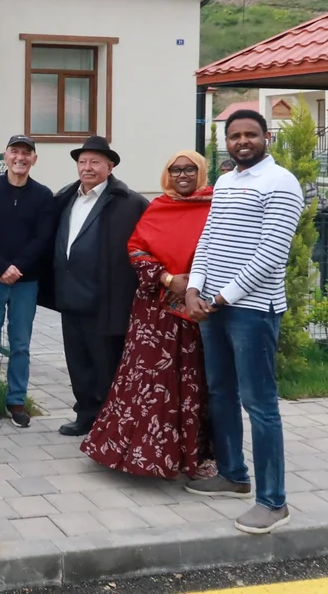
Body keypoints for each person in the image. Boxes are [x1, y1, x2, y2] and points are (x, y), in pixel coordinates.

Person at [185, 109, 303, 535]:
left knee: (260, 404)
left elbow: (272, 254)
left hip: (252, 311)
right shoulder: (226, 182)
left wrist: (222, 297)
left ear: (267, 137)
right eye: (234, 135)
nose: (242, 141)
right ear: (226, 141)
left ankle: (273, 502)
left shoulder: (281, 182)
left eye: (250, 134)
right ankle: (233, 474)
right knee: (221, 392)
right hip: (212, 306)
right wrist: (194, 288)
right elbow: (209, 239)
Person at [81, 150, 214, 479]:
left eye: (189, 169)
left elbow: (224, 250)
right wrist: (168, 279)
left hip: (197, 311)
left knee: (192, 383)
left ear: (201, 172)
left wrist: (193, 284)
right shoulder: (159, 207)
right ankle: (133, 453)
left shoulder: (216, 207)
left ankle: (193, 456)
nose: (182, 175)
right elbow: (136, 247)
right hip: (154, 314)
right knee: (147, 381)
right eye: (175, 170)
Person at [40, 136, 149, 437]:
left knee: (105, 363)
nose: (87, 167)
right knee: (78, 361)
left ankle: (110, 422)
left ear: (110, 166)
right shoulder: (66, 197)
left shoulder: (130, 203)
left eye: (95, 162)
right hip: (70, 295)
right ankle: (86, 414)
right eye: (82, 162)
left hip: (106, 298)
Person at [0, 135, 55, 430]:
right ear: (5, 156)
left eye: (26, 153)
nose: (20, 158)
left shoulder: (43, 196)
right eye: (15, 152)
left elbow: (42, 238)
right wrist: (0, 267)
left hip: (25, 282)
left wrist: (17, 268)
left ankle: (16, 401)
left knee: (21, 345)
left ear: (34, 159)